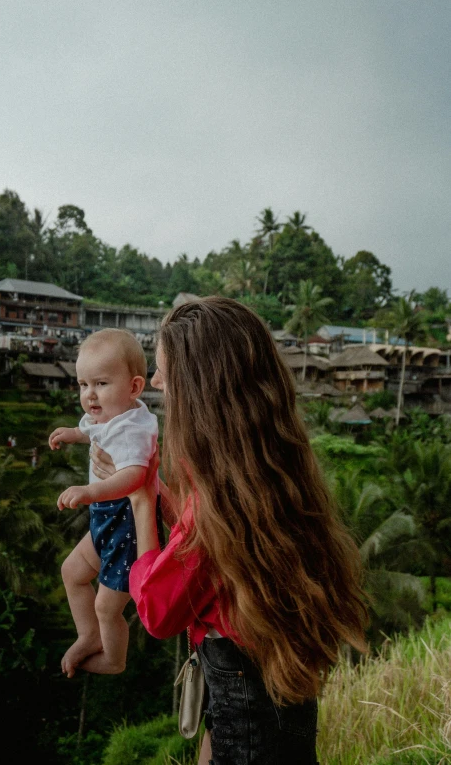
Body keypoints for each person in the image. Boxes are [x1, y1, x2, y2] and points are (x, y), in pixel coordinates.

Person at [91, 298, 368, 765]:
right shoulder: (268, 477)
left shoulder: (217, 503)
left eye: (163, 372)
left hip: (247, 721)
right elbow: (206, 547)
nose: (156, 384)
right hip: (267, 704)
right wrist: (156, 484)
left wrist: (140, 499)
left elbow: (158, 611)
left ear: (199, 388)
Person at [48, 328, 158, 678]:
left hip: (127, 524)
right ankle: (88, 635)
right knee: (72, 572)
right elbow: (93, 431)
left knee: (107, 606)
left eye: (101, 384)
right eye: (83, 385)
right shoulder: (109, 416)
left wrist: (91, 491)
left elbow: (136, 476)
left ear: (135, 388)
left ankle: (113, 658)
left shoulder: (133, 429)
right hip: (105, 517)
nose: (89, 395)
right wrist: (74, 434)